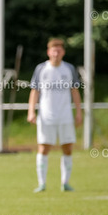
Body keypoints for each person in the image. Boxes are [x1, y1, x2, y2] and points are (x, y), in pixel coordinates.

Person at [27, 38, 82, 193]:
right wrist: (31, 111)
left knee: (68, 148)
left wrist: (79, 112)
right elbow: (34, 91)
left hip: (65, 116)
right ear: (48, 52)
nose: (56, 53)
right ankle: (42, 183)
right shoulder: (41, 69)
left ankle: (65, 183)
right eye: (53, 50)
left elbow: (75, 91)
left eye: (59, 50)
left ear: (63, 52)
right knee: (44, 148)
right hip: (46, 116)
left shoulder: (69, 68)